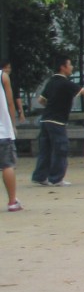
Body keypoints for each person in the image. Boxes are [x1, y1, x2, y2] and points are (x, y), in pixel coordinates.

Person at [32, 56, 84, 188]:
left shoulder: (51, 82)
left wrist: (52, 105)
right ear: (63, 67)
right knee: (61, 149)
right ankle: (56, 178)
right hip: (57, 122)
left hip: (45, 120)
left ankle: (40, 176)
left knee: (46, 149)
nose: (72, 67)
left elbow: (41, 100)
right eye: (70, 64)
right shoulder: (65, 83)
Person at [1, 57, 21, 211]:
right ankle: (12, 201)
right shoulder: (3, 76)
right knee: (7, 165)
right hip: (2, 130)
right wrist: (12, 124)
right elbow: (10, 102)